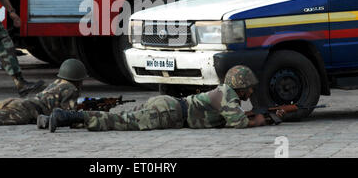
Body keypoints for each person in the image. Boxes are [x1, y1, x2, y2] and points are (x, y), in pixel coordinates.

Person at [46, 65, 285, 132]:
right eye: (249, 88)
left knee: (117, 116)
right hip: (168, 113)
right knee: (116, 122)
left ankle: (58, 119)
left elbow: (230, 115)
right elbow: (238, 123)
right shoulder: (227, 95)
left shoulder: (224, 93)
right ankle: (66, 116)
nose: (251, 92)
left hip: (169, 108)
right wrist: (261, 120)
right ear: (240, 86)